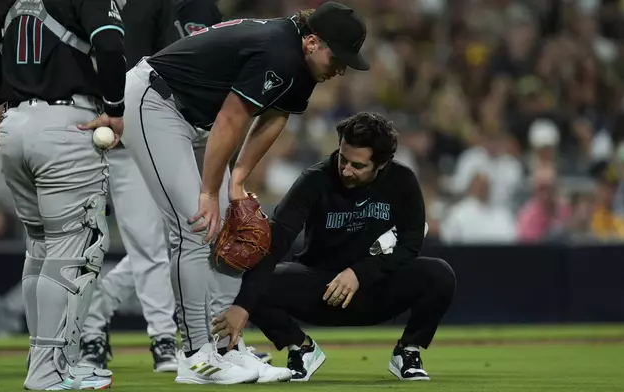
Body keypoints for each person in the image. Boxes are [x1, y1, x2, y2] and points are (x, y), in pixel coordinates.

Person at [120, 1, 369, 385]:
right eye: (337, 58)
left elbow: (276, 116)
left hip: (191, 118)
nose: (340, 69)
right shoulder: (279, 50)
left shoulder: (301, 61)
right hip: (155, 102)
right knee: (195, 226)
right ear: (313, 42)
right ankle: (194, 356)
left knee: (228, 232)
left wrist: (237, 179)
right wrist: (208, 191)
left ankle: (224, 348)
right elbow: (232, 118)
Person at [212, 112, 457, 382]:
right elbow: (276, 241)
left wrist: (359, 273)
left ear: (382, 164)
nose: (346, 170)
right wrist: (243, 307)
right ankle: (300, 347)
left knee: (439, 274)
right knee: (252, 279)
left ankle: (408, 350)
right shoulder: (314, 179)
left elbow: (410, 246)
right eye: (343, 158)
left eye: (358, 165)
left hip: (375, 288)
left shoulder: (403, 180)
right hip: (320, 287)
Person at [0, 0, 126, 389]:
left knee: (42, 249)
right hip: (68, 124)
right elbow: (110, 45)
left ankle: (51, 361)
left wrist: (19, 81)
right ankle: (49, 372)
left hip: (14, 126)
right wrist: (115, 108)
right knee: (74, 250)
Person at [79, 0, 185, 373]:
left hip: (131, 136)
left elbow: (168, 61)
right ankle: (85, 333)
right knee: (78, 246)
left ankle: (161, 338)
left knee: (149, 243)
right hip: (75, 126)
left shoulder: (153, 3)